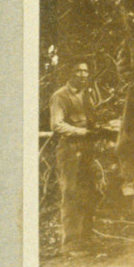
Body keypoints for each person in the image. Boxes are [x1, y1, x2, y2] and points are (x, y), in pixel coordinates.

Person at [49, 61, 97, 251]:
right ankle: (70, 243)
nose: (83, 75)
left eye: (86, 71)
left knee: (89, 191)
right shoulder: (60, 96)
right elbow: (57, 125)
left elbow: (91, 120)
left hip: (86, 149)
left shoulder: (87, 95)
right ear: (70, 73)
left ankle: (87, 236)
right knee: (71, 193)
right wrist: (82, 132)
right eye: (78, 71)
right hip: (69, 149)